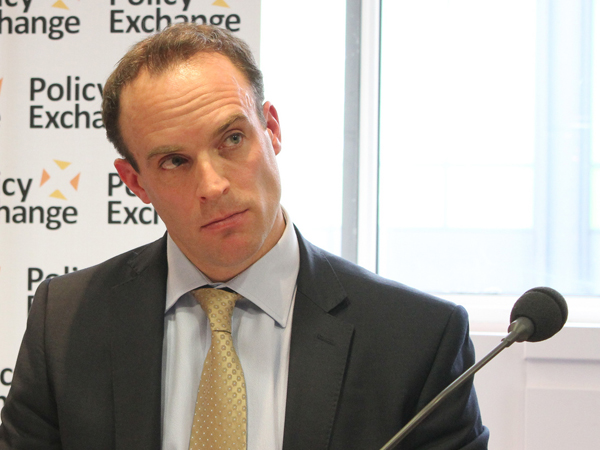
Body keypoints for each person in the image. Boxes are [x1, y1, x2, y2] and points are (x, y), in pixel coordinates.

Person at [0, 23, 489, 450]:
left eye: (232, 139)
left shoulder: (418, 339)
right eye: (175, 161)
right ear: (136, 183)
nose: (213, 185)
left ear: (271, 129)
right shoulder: (64, 323)